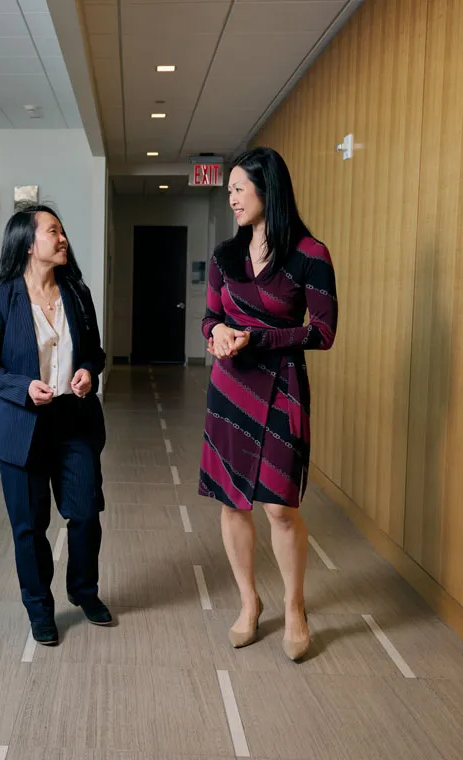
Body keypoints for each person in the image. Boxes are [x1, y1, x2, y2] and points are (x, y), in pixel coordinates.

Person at [199, 147, 338, 662]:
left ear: (267, 188)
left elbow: (323, 332)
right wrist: (218, 334)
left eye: (239, 188)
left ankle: (295, 607)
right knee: (233, 500)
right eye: (229, 191)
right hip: (230, 388)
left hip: (282, 385)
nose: (232, 199)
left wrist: (257, 338)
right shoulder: (224, 256)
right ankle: (249, 602)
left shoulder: (310, 254)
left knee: (280, 505)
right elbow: (209, 318)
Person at [0, 204, 110, 646]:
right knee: (30, 527)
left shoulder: (77, 293)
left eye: (62, 230)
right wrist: (22, 386)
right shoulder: (0, 300)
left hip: (74, 420)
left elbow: (96, 353)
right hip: (22, 427)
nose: (62, 237)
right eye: (53, 231)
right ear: (29, 244)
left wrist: (88, 372)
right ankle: (39, 608)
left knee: (85, 514)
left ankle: (83, 591)